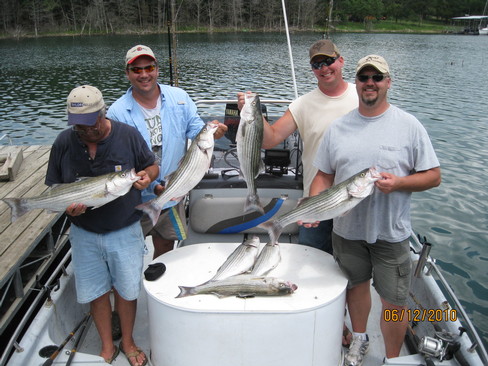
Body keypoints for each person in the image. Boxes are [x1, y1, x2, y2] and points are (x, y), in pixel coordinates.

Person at [307, 55, 441, 365]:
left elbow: (434, 176)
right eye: (364, 78)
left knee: (393, 301)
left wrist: (400, 183)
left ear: (388, 83)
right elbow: (324, 175)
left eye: (377, 78)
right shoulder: (338, 128)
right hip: (346, 231)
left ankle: (393, 359)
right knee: (355, 287)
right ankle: (359, 339)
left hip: (391, 234)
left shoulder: (409, 126)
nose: (370, 83)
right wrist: (313, 206)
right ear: (355, 83)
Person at [46, 85, 158, 366]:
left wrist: (146, 176)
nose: (83, 131)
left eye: (89, 125)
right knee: (96, 292)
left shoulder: (127, 135)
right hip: (84, 234)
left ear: (102, 113)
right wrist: (68, 207)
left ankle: (129, 342)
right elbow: (54, 187)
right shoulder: (63, 142)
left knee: (127, 291)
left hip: (125, 230)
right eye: (78, 126)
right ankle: (107, 346)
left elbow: (151, 166)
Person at [237, 39, 358, 255]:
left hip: (355, 198)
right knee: (311, 259)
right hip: (316, 199)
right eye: (316, 64)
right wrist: (252, 112)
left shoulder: (363, 96)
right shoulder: (302, 104)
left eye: (328, 61)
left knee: (352, 266)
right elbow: (270, 139)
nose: (323, 68)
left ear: (341, 61)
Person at [108, 45, 227, 259]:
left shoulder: (179, 97)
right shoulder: (116, 111)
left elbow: (195, 129)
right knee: (130, 253)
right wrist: (153, 186)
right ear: (127, 73)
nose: (144, 74)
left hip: (173, 190)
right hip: (133, 197)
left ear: (157, 69)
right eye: (136, 70)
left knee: (165, 247)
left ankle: (157, 275)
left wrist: (214, 133)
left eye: (149, 67)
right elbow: (118, 159)